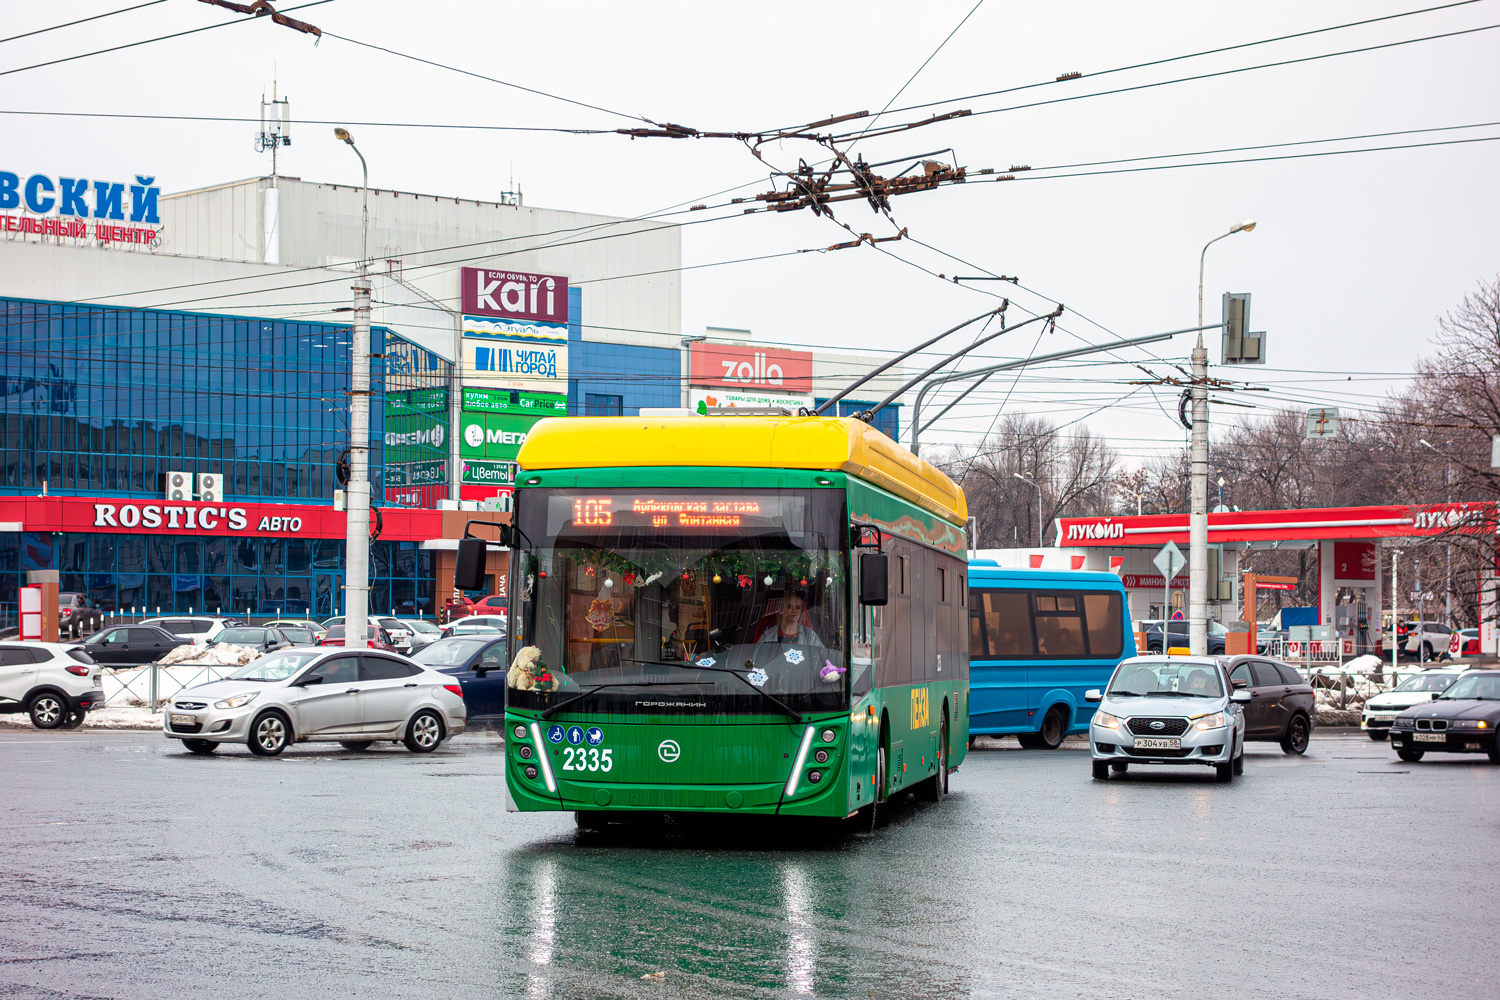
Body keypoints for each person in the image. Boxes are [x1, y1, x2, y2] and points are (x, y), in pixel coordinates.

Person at [757, 592, 824, 647]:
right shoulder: (768, 635)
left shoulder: (810, 635)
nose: (793, 610)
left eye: (797, 607)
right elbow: (759, 659)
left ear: (801, 611)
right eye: (789, 606)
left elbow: (820, 656)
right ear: (782, 609)